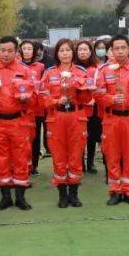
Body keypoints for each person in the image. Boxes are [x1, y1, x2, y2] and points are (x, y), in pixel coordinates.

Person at [0, 36, 37, 211]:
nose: (5, 54)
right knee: (1, 159)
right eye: (2, 50)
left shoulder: (25, 71)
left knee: (20, 158)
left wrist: (27, 99)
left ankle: (20, 197)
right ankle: (5, 197)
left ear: (16, 52)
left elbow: (35, 97)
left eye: (10, 51)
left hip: (19, 122)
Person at [95, 35, 129, 206]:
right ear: (111, 51)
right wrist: (111, 100)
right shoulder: (105, 71)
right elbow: (97, 94)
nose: (120, 51)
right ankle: (115, 191)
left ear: (128, 49)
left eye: (123, 47)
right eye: (116, 48)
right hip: (111, 119)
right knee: (112, 155)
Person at [39, 39, 91, 208]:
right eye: (62, 50)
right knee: (59, 157)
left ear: (73, 53)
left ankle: (74, 194)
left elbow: (88, 97)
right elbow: (42, 99)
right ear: (57, 54)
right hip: (56, 118)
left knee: (76, 156)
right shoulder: (49, 73)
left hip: (76, 117)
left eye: (68, 50)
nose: (65, 53)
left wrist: (81, 88)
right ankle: (62, 194)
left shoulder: (82, 72)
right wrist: (56, 100)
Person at [75, 40, 103, 173]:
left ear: (91, 51)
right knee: (79, 137)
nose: (82, 52)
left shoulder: (97, 68)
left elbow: (101, 87)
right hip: (78, 108)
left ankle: (90, 162)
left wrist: (93, 98)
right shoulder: (72, 68)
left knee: (92, 136)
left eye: (85, 49)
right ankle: (80, 164)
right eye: (80, 50)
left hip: (93, 108)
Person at [20, 40, 47, 175]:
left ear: (34, 51)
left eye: (29, 48)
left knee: (35, 137)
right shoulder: (17, 67)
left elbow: (44, 87)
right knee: (22, 137)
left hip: (37, 108)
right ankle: (23, 163)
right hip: (21, 108)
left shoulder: (41, 67)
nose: (26, 51)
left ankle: (34, 165)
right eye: (24, 48)